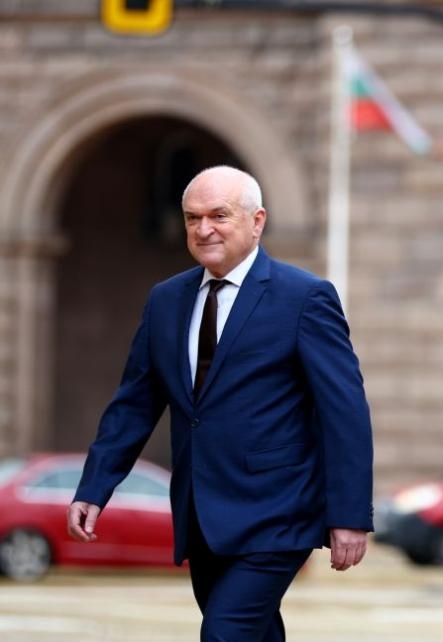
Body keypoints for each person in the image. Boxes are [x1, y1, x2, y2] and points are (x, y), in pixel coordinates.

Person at [67, 165, 374, 641]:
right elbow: (134, 404)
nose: (203, 228)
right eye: (193, 218)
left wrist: (349, 516)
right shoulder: (166, 300)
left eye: (219, 215)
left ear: (257, 221)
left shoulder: (304, 298)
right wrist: (94, 487)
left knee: (225, 632)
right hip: (201, 512)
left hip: (278, 512)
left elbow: (345, 412)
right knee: (252, 633)